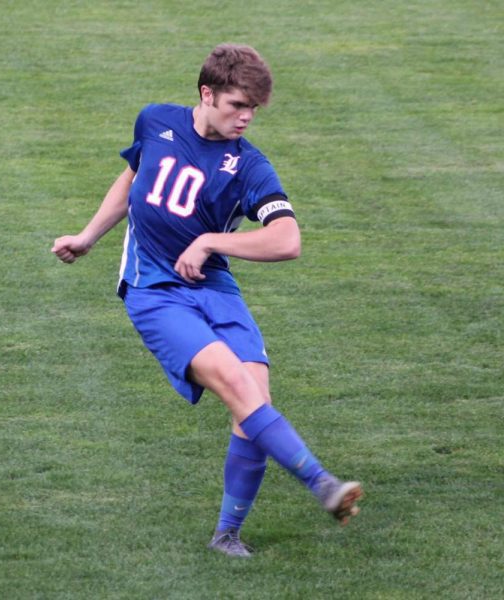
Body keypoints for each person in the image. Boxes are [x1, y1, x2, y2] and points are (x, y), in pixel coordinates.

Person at [52, 44, 362, 557]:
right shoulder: (155, 122)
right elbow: (133, 177)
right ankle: (323, 484)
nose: (245, 117)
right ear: (206, 93)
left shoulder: (248, 166)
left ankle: (227, 534)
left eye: (253, 110)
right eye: (237, 105)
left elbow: (288, 241)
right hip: (154, 290)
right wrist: (88, 236)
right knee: (235, 381)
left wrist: (213, 241)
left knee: (253, 399)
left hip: (213, 287)